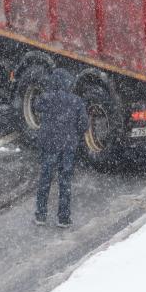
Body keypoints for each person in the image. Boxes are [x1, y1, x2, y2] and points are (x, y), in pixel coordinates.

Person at [34, 68, 89, 228]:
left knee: (45, 179)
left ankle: (41, 215)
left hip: (49, 144)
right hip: (67, 146)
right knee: (65, 182)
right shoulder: (76, 101)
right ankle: (63, 218)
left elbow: (36, 107)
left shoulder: (45, 98)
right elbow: (84, 125)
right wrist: (73, 134)